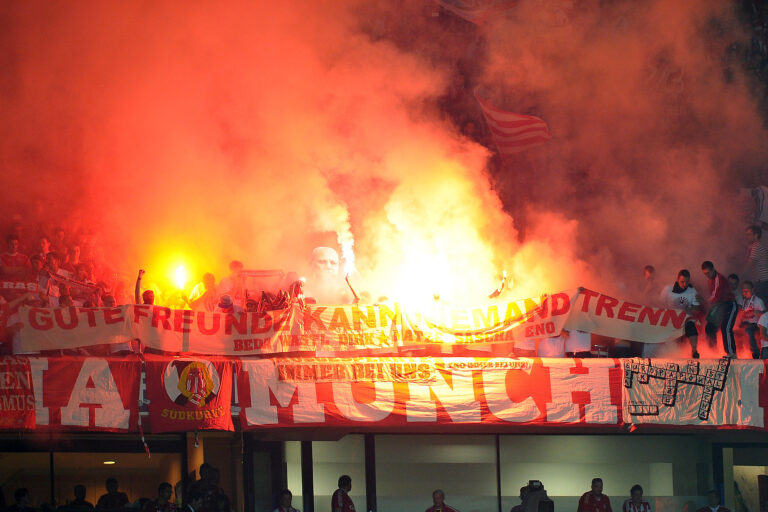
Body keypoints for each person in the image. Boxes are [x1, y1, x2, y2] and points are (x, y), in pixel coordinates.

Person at [659, 270, 703, 358]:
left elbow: (697, 309)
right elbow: (659, 304)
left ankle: (694, 350)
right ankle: (666, 353)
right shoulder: (668, 289)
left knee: (691, 325)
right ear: (677, 280)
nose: (684, 284)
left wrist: (691, 308)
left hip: (685, 317)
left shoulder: (692, 291)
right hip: (670, 317)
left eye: (687, 282)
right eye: (682, 282)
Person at [702, 261, 738, 357]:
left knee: (726, 328)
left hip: (730, 305)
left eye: (708, 272)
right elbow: (714, 297)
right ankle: (712, 352)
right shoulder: (710, 280)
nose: (707, 275)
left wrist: (704, 302)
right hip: (720, 306)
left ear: (713, 269)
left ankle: (731, 353)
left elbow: (715, 296)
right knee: (709, 328)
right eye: (705, 274)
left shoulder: (719, 279)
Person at [738, 281, 766, 359]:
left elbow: (765, 315)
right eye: (743, 290)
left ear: (752, 290)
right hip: (745, 323)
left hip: (756, 324)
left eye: (747, 290)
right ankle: (740, 353)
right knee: (736, 330)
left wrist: (759, 312)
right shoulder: (742, 301)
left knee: (748, 330)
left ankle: (756, 352)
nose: (745, 292)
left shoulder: (758, 301)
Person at [746, 225, 768, 303]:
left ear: (756, 235)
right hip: (763, 281)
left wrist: (740, 275)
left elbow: (748, 266)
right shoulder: (757, 246)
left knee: (759, 305)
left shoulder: (757, 247)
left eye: (749, 234)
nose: (747, 237)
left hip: (764, 282)